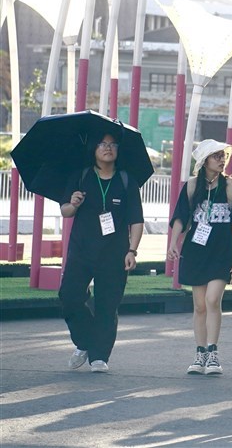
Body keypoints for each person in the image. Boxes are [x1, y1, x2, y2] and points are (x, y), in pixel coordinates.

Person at [59, 132, 144, 373]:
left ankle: (99, 356)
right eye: (102, 144)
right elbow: (65, 211)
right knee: (69, 295)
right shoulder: (81, 176)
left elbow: (137, 220)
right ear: (94, 149)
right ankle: (85, 341)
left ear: (118, 150)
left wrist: (132, 250)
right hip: (81, 249)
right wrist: (72, 204)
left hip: (114, 252)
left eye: (112, 144)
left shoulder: (127, 181)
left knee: (108, 304)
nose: (107, 148)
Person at [168, 140, 232, 376]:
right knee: (199, 305)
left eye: (223, 156)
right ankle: (200, 353)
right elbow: (180, 217)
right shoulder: (192, 186)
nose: (222, 160)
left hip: (221, 250)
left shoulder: (231, 187)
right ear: (204, 161)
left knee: (213, 300)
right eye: (216, 156)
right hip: (195, 250)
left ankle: (213, 353)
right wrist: (173, 242)